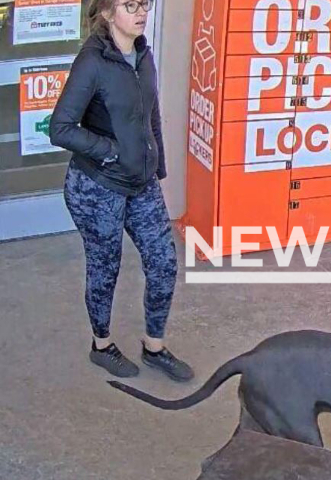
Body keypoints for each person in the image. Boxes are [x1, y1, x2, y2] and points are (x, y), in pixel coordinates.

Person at [50, 0, 194, 382]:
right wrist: (111, 151)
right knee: (105, 269)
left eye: (144, 5)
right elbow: (60, 127)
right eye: (130, 6)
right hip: (97, 187)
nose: (141, 13)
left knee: (163, 264)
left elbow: (151, 116)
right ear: (109, 13)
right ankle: (102, 346)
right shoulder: (92, 61)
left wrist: (157, 166)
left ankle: (154, 347)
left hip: (140, 182)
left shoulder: (143, 55)